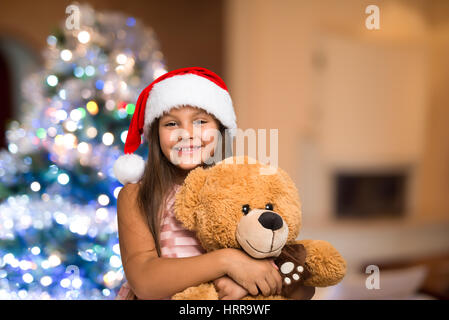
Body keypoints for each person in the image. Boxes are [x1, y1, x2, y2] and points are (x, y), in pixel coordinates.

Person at [113, 67, 282, 300]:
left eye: (201, 121)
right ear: (155, 135)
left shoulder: (242, 189)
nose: (186, 134)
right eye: (171, 124)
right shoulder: (136, 195)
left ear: (221, 130)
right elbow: (144, 281)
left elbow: (298, 279)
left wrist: (247, 284)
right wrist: (228, 261)